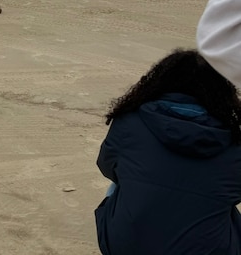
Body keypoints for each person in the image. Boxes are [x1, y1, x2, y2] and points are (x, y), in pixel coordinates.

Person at [95, 49, 241, 254]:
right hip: (207, 249)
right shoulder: (234, 140)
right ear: (222, 91)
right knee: (219, 201)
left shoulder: (129, 121)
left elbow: (106, 165)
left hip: (126, 246)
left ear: (159, 82)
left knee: (122, 177)